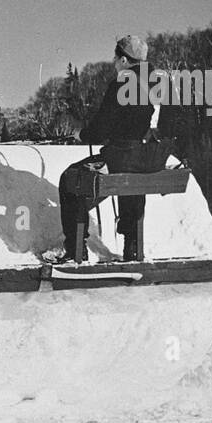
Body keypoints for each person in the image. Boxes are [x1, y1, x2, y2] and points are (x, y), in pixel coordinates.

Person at [52, 35, 169, 262]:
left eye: (116, 59)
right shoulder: (162, 82)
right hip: (152, 159)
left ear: (124, 60)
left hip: (122, 157)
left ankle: (75, 250)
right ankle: (132, 247)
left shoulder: (122, 84)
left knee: (70, 179)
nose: (114, 63)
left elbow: (101, 127)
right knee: (133, 180)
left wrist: (82, 134)